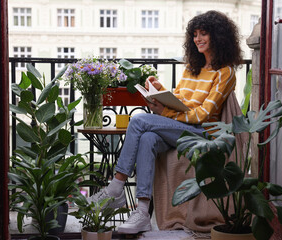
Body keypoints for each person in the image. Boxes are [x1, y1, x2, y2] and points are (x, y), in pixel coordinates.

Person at [87, 10, 243, 234]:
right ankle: (142, 211)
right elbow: (181, 99)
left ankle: (116, 186)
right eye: (195, 34)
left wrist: (166, 114)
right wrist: (159, 90)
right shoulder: (192, 68)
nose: (198, 39)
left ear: (217, 37)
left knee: (140, 121)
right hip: (182, 128)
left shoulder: (225, 73)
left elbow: (204, 114)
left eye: (204, 34)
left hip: (203, 134)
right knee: (149, 138)